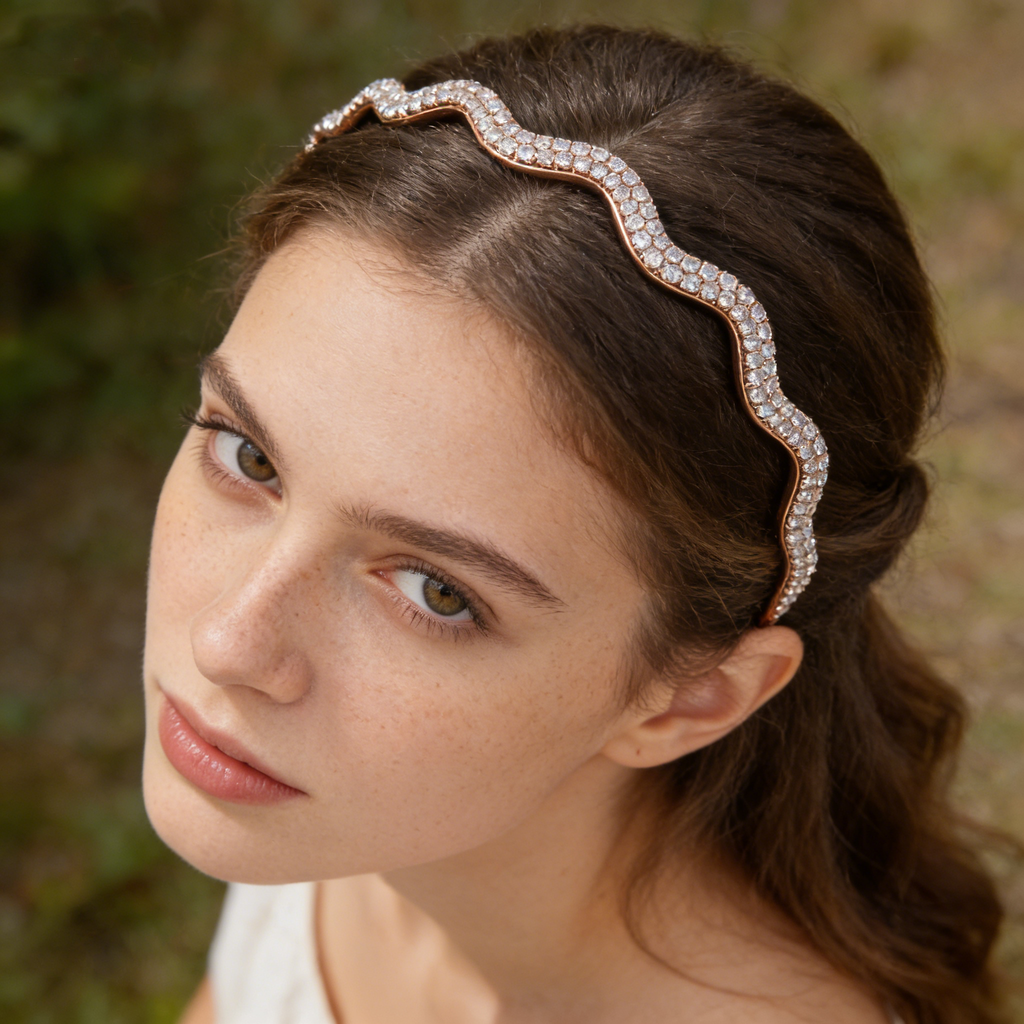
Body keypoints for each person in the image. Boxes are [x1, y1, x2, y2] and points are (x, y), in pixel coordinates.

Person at [141, 25, 1007, 1024]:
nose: (231, 642)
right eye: (249, 457)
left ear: (689, 697)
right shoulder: (351, 813)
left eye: (439, 592)